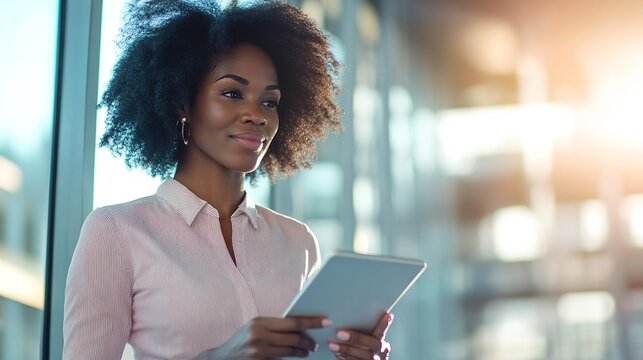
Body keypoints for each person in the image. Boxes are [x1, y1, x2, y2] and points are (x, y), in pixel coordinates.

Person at [63, 1, 394, 359]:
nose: (257, 115)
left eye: (270, 102)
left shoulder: (298, 242)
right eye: (232, 94)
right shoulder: (116, 232)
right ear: (182, 104)